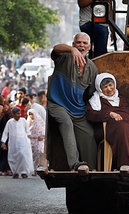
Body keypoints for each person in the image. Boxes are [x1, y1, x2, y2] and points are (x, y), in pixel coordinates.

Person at [47, 32, 98, 170]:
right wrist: (71, 50)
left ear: (89, 46)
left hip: (78, 110)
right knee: (66, 124)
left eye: (84, 43)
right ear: (73, 44)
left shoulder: (92, 68)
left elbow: (90, 93)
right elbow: (56, 48)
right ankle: (75, 165)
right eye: (78, 43)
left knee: (89, 134)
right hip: (58, 105)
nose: (81, 45)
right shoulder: (64, 57)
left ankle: (92, 169)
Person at [1, 107, 34, 178]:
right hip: (13, 143)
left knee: (23, 156)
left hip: (23, 142)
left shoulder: (23, 121)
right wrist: (3, 142)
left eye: (20, 113)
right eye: (17, 113)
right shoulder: (9, 122)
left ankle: (24, 172)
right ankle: (15, 172)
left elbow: (27, 131)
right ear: (13, 114)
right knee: (13, 158)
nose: (19, 115)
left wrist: (29, 137)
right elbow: (5, 132)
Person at [27, 109, 45, 176]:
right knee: (32, 155)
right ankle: (32, 169)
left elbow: (44, 128)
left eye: (32, 114)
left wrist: (43, 135)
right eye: (29, 114)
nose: (31, 116)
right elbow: (27, 130)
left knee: (39, 151)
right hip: (31, 140)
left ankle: (36, 169)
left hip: (39, 139)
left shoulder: (40, 121)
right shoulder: (28, 122)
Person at [0, 99, 12, 176]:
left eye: (7, 105)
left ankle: (8, 169)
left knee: (8, 153)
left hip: (9, 137)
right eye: (4, 105)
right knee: (2, 153)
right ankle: (3, 169)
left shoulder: (10, 115)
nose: (5, 107)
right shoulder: (2, 115)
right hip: (2, 136)